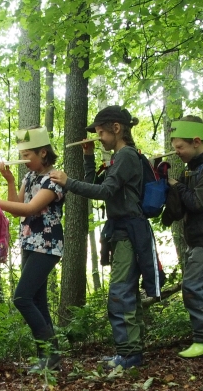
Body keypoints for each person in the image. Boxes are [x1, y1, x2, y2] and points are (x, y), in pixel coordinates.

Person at [49, 105, 162, 369]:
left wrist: (67, 182)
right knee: (125, 291)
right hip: (121, 231)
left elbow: (105, 192)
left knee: (120, 292)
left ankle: (129, 354)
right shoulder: (119, 157)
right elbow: (99, 186)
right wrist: (88, 159)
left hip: (129, 232)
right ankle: (129, 351)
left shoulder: (126, 156)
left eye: (101, 132)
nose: (98, 137)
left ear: (116, 128)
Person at [0, 127, 65, 372]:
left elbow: (30, 209)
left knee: (22, 298)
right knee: (37, 300)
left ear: (43, 153)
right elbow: (17, 209)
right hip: (29, 241)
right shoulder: (30, 178)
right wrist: (10, 181)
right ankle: (49, 357)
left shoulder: (55, 179)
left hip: (47, 243)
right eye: (22, 154)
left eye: (28, 155)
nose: (24, 159)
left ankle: (50, 354)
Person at [159, 116, 203, 358]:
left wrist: (177, 185)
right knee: (196, 286)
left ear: (196, 141)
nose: (176, 152)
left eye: (180, 147)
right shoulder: (196, 168)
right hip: (199, 239)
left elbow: (198, 203)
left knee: (193, 286)